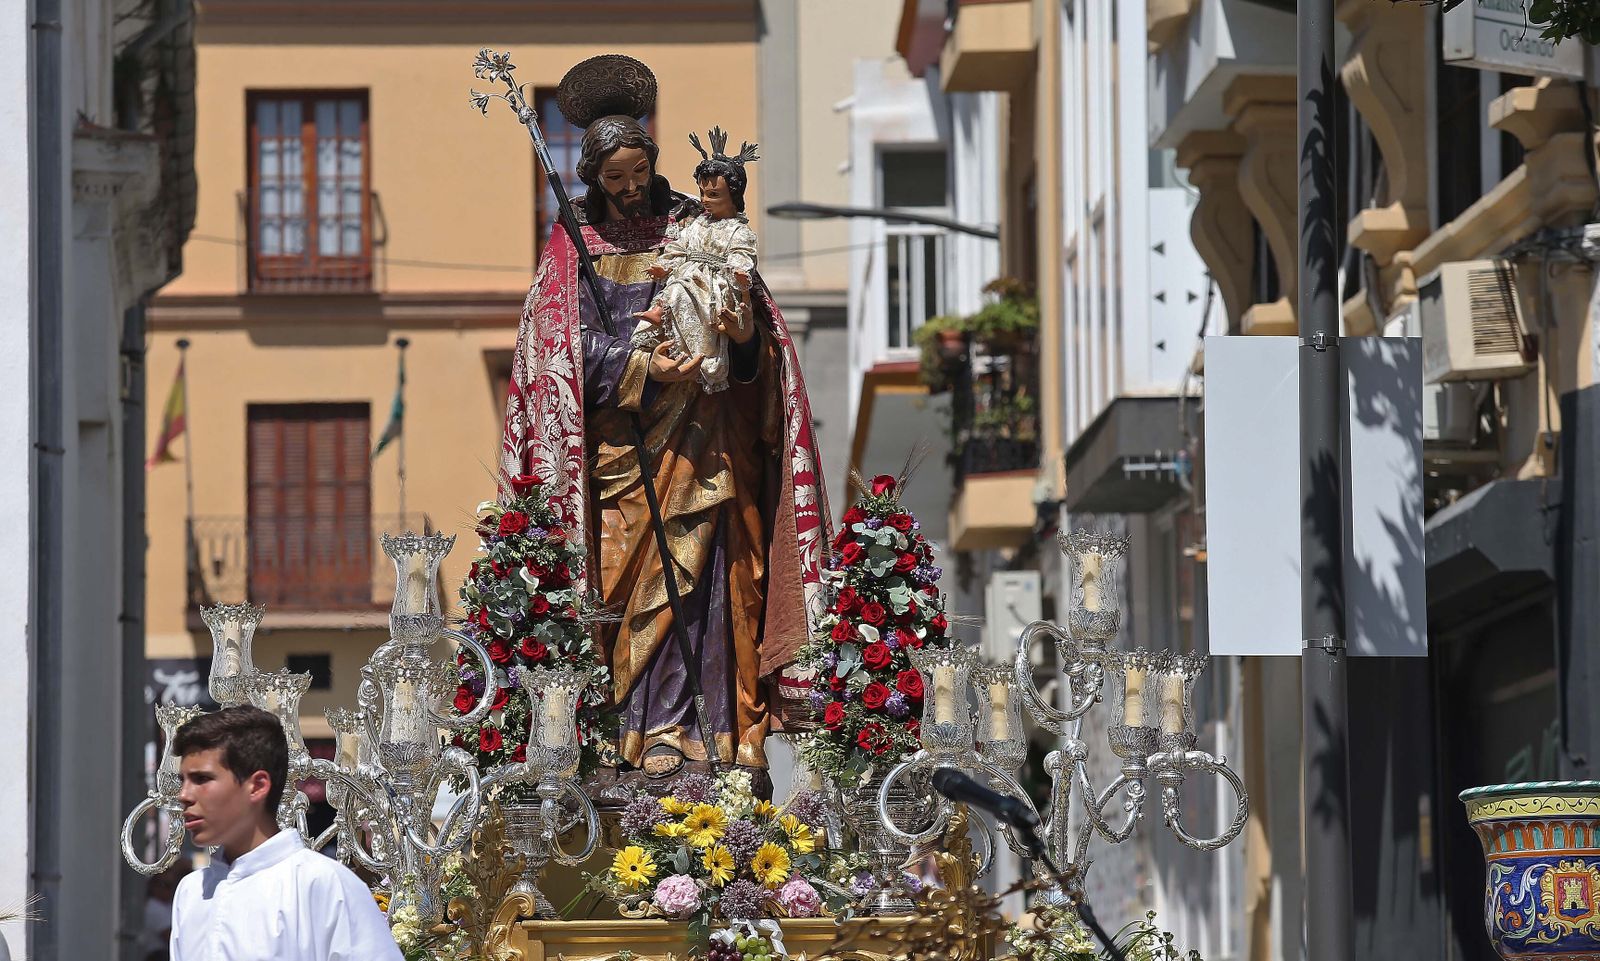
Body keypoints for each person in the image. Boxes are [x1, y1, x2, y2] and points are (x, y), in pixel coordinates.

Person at [497, 55, 829, 790]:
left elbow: (758, 350)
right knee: (618, 593)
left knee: (703, 589)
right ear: (592, 177)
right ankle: (627, 731)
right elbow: (555, 354)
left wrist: (735, 331)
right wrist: (643, 367)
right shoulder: (569, 248)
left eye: (639, 175)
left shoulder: (696, 228)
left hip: (703, 437)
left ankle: (700, 734)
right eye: (614, 181)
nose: (629, 190)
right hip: (616, 451)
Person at [168, 706, 401, 961]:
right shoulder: (191, 893)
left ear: (257, 786)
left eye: (202, 779)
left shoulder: (323, 884)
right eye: (183, 780)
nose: (184, 795)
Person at [630, 128, 762, 394]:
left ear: (733, 197)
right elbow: (680, 246)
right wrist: (665, 266)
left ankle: (701, 356)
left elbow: (741, 254)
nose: (703, 200)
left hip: (715, 284)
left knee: (682, 291)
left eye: (713, 195)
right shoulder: (696, 223)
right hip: (689, 275)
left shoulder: (738, 230)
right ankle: (658, 317)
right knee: (675, 289)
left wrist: (739, 274)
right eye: (702, 193)